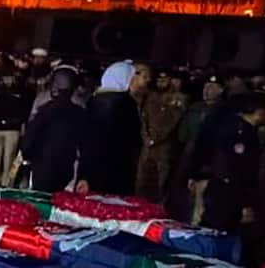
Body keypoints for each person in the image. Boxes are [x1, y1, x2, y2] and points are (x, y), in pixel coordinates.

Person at [202, 93, 265, 252]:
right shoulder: (240, 132)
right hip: (228, 195)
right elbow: (236, 169)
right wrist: (245, 203)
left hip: (225, 191)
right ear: (258, 111)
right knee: (218, 235)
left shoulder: (243, 129)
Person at [80, 61, 142, 195]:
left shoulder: (94, 100)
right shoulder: (126, 103)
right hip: (117, 167)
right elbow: (134, 138)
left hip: (91, 164)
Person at [21, 66, 86, 193]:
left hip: (43, 165)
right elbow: (84, 144)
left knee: (41, 200)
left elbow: (30, 138)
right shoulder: (79, 113)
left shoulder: (45, 110)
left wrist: (27, 156)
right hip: (66, 166)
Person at [135, 69, 187, 201]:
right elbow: (143, 117)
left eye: (165, 80)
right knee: (141, 182)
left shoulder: (178, 98)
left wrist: (156, 138)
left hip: (164, 147)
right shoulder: (150, 95)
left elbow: (173, 121)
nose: (161, 82)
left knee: (160, 184)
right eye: (159, 80)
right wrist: (146, 137)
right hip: (146, 146)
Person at [0, 60, 31, 186]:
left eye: (10, 76)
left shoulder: (21, 89)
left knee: (9, 158)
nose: (7, 80)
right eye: (5, 77)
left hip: (13, 127)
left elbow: (25, 109)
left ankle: (7, 182)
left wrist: (22, 125)